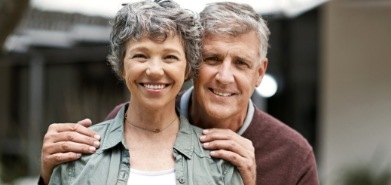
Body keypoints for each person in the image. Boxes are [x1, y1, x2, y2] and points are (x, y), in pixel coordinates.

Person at [40, 1, 319, 185]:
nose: (224, 77)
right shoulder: (123, 125)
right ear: (194, 64)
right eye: (212, 59)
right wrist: (48, 172)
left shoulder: (293, 155)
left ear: (259, 73)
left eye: (241, 63)